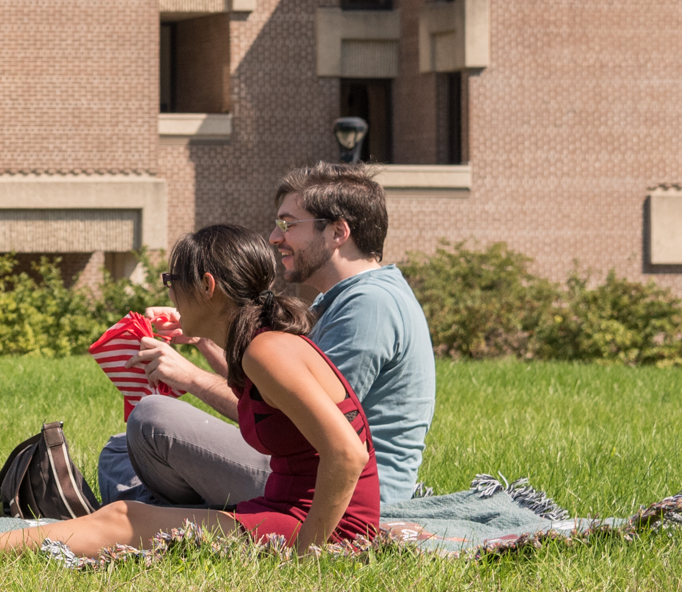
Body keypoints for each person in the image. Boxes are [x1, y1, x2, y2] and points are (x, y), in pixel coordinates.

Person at [0, 223, 379, 567]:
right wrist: (200, 340)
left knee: (125, 518)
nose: (167, 290)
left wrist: (310, 556)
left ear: (208, 285)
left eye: (174, 279)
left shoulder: (269, 351)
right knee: (130, 515)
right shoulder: (262, 347)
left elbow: (348, 453)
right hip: (288, 505)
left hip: (324, 527)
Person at [102, 162, 436, 507]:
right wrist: (204, 338)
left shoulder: (369, 307)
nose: (275, 237)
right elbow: (270, 388)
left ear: (338, 233)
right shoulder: (349, 297)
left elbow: (294, 423)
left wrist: (192, 379)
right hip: (309, 468)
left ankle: (157, 514)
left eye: (288, 225)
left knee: (151, 422)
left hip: (338, 490)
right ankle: (160, 510)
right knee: (124, 445)